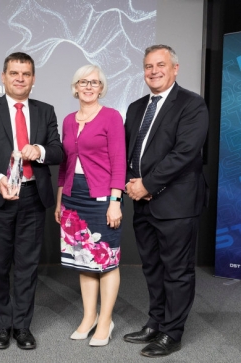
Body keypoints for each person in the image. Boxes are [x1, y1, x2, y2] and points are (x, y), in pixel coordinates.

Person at [0, 52, 63, 350]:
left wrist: (41, 150)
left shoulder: (45, 110)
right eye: (14, 73)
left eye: (26, 74)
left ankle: (22, 326)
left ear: (33, 79)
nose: (20, 78)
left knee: (27, 266)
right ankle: (1, 326)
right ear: (3, 77)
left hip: (33, 198)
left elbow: (58, 151)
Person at [123, 45, 209, 358]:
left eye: (161, 65)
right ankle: (155, 321)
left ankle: (172, 332)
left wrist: (147, 184)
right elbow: (129, 154)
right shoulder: (135, 107)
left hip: (177, 204)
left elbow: (184, 154)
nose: (154, 71)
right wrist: (129, 185)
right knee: (152, 267)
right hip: (143, 204)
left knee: (177, 271)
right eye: (148, 66)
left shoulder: (192, 104)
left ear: (175, 68)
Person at [55, 65, 126, 347]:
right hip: (73, 197)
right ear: (75, 86)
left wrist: (115, 202)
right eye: (83, 82)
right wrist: (60, 200)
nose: (88, 86)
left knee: (106, 261)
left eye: (94, 82)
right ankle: (89, 317)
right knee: (85, 260)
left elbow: (119, 162)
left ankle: (106, 321)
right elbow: (64, 164)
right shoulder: (69, 120)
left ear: (101, 87)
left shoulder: (111, 117)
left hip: (101, 197)